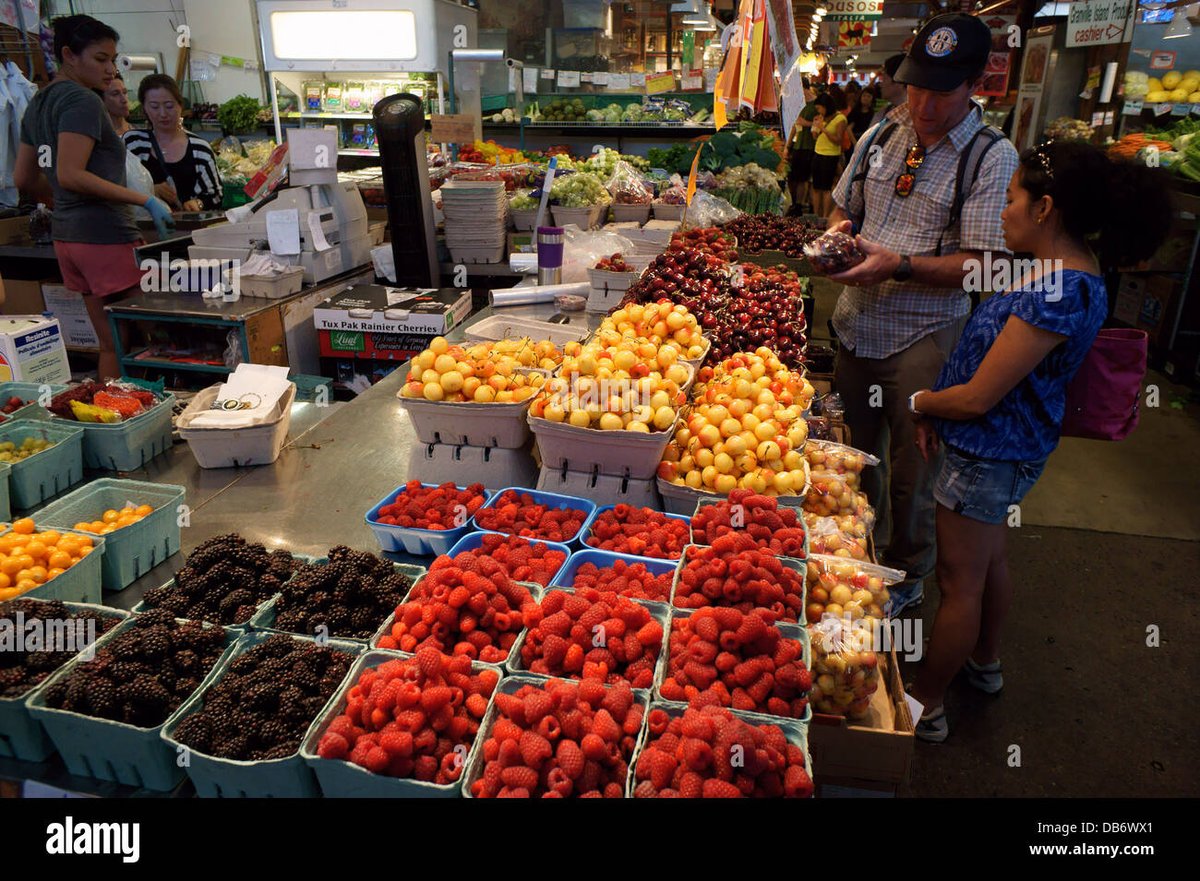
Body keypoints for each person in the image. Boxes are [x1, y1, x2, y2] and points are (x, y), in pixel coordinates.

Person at [906, 142, 1172, 742]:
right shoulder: (1067, 274)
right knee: (990, 559)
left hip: (988, 452)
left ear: (1045, 207)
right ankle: (984, 662)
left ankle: (925, 704)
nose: (1003, 212)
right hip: (1008, 449)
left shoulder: (1056, 292)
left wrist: (920, 404)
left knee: (958, 582)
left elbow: (979, 397)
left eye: (1011, 199)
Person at [823, 13, 1019, 613]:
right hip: (856, 325)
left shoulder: (990, 158)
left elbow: (989, 266)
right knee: (853, 460)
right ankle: (851, 561)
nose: (925, 104)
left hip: (923, 341)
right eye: (916, 86)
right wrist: (837, 242)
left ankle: (905, 579)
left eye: (942, 91)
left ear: (975, 84)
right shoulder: (883, 133)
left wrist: (899, 264)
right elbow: (843, 209)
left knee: (914, 478)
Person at [14, 14, 174, 380]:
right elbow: (71, 174)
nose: (110, 69)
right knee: (143, 340)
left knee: (110, 344)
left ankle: (113, 421)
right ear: (69, 55)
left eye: (113, 60)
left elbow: (23, 177)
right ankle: (145, 421)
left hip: (68, 240)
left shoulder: (39, 103)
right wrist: (143, 200)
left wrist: (65, 207)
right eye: (101, 59)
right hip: (104, 236)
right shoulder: (83, 101)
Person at [124, 73, 221, 211]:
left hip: (186, 228)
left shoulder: (200, 149)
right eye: (154, 107)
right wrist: (151, 190)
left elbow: (215, 195)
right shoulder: (133, 143)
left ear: (180, 106)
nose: (163, 113)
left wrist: (197, 204)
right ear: (144, 108)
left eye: (169, 106)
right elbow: (118, 185)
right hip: (142, 227)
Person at [810, 93, 846, 219]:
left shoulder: (840, 119)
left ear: (826, 106)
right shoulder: (821, 117)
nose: (818, 111)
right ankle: (816, 214)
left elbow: (838, 140)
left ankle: (825, 216)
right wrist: (815, 127)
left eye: (819, 108)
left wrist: (823, 129)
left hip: (830, 155)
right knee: (816, 186)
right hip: (817, 152)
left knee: (826, 188)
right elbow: (814, 137)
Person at [786, 80, 818, 212]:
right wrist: (787, 146)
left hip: (810, 145)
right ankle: (795, 203)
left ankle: (799, 204)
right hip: (797, 144)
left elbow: (819, 124)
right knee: (793, 177)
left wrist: (806, 123)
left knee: (803, 178)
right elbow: (795, 124)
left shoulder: (816, 104)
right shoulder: (799, 103)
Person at [868, 54, 908, 130]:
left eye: (884, 78)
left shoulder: (917, 120)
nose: (880, 84)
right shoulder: (883, 112)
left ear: (898, 80)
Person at [102, 70, 130, 136]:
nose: (124, 99)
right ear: (102, 99)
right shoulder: (99, 137)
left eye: (125, 92)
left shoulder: (139, 131)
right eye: (115, 94)